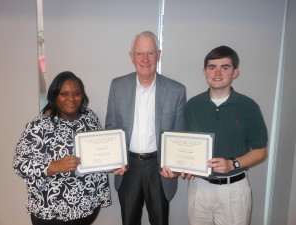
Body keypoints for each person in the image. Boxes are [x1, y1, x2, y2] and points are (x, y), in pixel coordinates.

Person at [105, 31, 186, 225]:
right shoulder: (117, 86)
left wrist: (176, 165)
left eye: (150, 53)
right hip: (128, 166)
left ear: (159, 54)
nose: (145, 59)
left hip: (158, 167)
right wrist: (114, 159)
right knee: (129, 221)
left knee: (159, 220)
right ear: (131, 56)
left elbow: (179, 134)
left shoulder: (176, 90)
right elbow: (111, 127)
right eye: (139, 53)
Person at [183, 45, 268, 225]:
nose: (218, 72)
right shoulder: (192, 105)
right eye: (212, 67)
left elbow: (260, 151)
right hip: (199, 187)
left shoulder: (248, 107)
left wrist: (232, 164)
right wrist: (184, 166)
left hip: (234, 190)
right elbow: (184, 145)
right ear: (204, 71)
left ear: (235, 72)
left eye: (225, 67)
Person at [13, 71, 111, 225]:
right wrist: (54, 166)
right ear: (54, 96)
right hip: (53, 211)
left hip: (87, 206)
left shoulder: (89, 117)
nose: (71, 98)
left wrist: (112, 162)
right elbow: (20, 164)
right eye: (64, 93)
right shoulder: (40, 125)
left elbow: (99, 149)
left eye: (76, 93)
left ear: (82, 95)